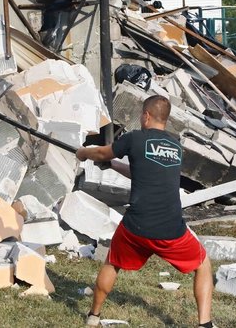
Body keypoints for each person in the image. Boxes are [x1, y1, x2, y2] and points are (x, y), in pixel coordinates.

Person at [76, 95, 214, 328]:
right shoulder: (175, 146)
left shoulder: (134, 138)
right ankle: (205, 324)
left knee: (112, 262)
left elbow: (102, 153)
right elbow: (143, 171)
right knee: (203, 263)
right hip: (171, 229)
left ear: (146, 115)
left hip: (136, 227)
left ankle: (94, 316)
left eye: (141, 114)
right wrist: (114, 165)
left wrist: (84, 153)